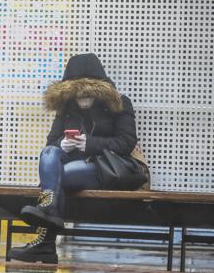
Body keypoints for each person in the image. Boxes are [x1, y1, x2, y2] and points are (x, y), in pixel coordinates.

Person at [9, 53, 139, 264]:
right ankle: (48, 209)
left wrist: (90, 144)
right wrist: (62, 144)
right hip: (70, 167)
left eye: (88, 94)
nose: (83, 99)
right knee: (49, 152)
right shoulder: (66, 107)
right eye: (77, 94)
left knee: (56, 178)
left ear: (99, 90)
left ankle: (45, 242)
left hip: (103, 169)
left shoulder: (120, 103)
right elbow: (51, 142)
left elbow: (126, 142)